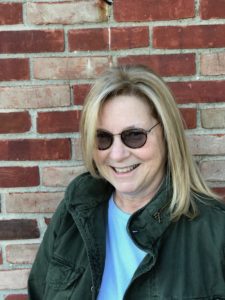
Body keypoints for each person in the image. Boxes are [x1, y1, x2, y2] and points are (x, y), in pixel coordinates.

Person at [28, 65, 225, 299]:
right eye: (103, 138)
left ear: (167, 135)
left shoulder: (216, 230)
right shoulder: (73, 215)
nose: (117, 154)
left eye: (134, 135)